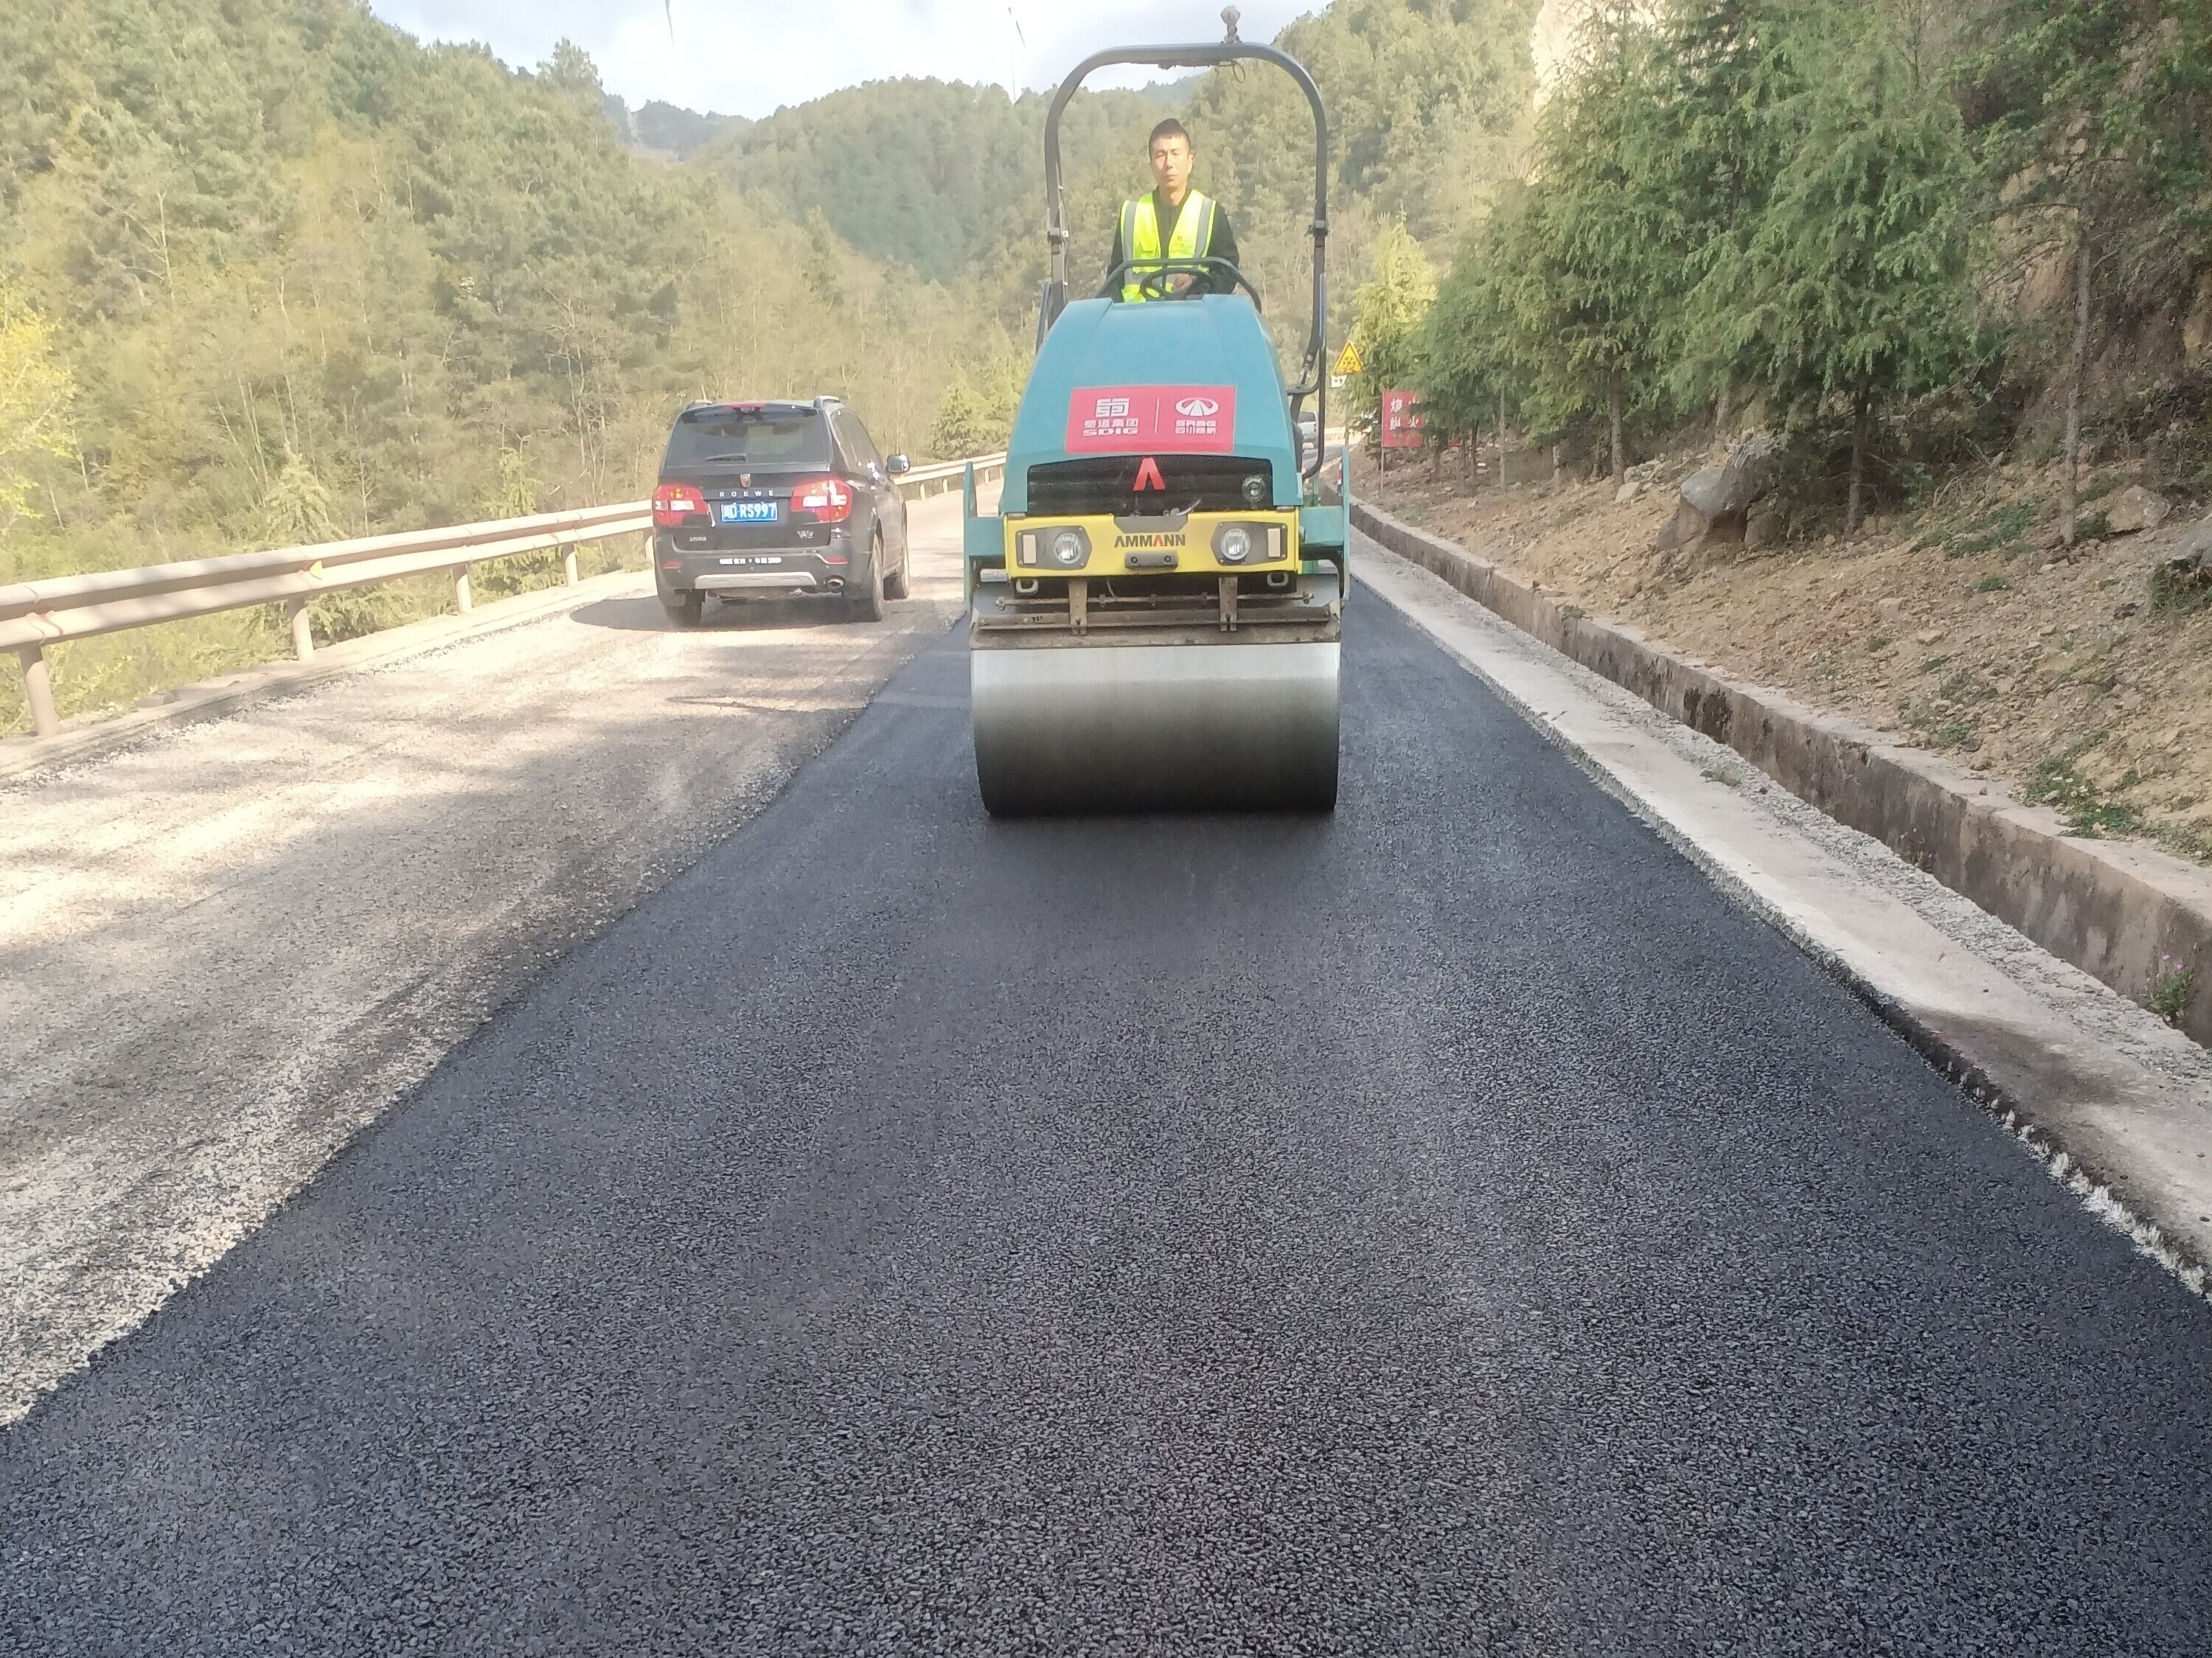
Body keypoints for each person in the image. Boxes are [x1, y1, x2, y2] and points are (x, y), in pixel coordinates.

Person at [1106, 119, 1242, 302]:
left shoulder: (1211, 214)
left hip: (1192, 316)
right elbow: (1114, 282)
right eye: (1160, 155)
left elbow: (1228, 273)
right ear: (1151, 164)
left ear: (1190, 161)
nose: (1168, 163)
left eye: (1175, 153)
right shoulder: (1131, 216)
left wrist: (1197, 286)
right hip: (1138, 317)